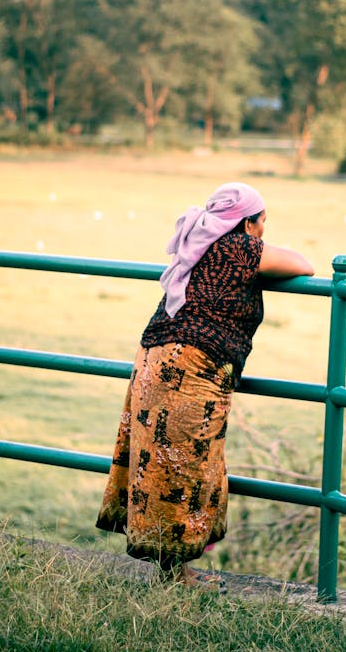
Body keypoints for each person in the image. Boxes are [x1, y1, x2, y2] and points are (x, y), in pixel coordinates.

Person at [96, 181, 314, 587]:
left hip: (155, 360)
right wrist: (256, 247)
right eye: (263, 221)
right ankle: (176, 576)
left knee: (161, 466)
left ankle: (173, 571)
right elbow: (304, 265)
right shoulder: (237, 249)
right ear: (247, 223)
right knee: (186, 469)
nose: (264, 228)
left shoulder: (196, 244)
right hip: (190, 368)